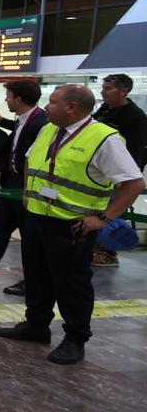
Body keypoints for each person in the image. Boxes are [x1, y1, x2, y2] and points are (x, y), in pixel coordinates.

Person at [0, 84, 145, 365]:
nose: (47, 107)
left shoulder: (104, 138)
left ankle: (75, 338)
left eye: (52, 102)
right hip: (38, 218)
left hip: (73, 226)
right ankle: (36, 325)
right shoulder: (48, 129)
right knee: (36, 276)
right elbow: (29, 161)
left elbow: (134, 183)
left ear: (72, 107)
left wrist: (103, 218)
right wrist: (28, 195)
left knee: (71, 284)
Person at [0, 80, 47, 293]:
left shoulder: (40, 123)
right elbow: (18, 133)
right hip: (12, 183)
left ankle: (32, 281)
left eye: (8, 96)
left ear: (18, 98)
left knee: (30, 237)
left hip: (26, 187)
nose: (5, 99)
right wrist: (2, 121)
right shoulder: (24, 120)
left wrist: (28, 188)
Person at [91, 73, 147, 267]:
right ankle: (93, 248)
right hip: (97, 173)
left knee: (111, 214)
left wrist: (125, 180)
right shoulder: (105, 109)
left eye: (108, 89)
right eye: (103, 88)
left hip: (117, 177)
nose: (103, 92)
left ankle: (107, 251)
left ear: (124, 91)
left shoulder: (135, 116)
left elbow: (137, 151)